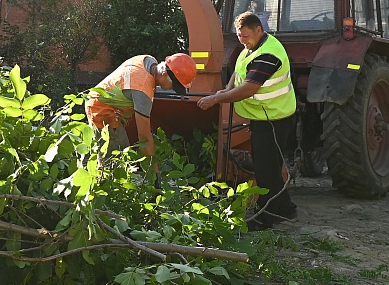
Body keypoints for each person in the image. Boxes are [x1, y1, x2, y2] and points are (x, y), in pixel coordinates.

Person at [197, 12, 297, 230]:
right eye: (239, 36)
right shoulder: (252, 47)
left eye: (245, 35)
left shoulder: (268, 54)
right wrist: (227, 89)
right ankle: (286, 209)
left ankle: (265, 218)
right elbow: (239, 71)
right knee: (270, 166)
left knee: (266, 170)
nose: (242, 40)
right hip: (263, 116)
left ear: (258, 30)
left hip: (273, 117)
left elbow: (249, 88)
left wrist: (217, 99)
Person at [85, 53, 199, 163]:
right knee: (117, 156)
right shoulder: (142, 89)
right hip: (101, 108)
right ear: (164, 73)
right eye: (174, 86)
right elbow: (144, 136)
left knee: (116, 152)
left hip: (106, 102)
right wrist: (153, 169)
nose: (173, 89)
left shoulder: (148, 60)